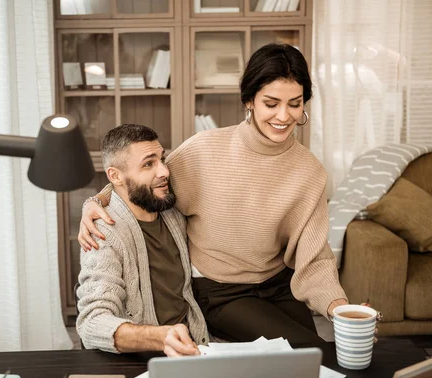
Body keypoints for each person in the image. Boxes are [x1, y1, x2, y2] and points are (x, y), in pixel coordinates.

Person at [78, 43, 360, 347]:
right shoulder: (203, 150)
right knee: (311, 354)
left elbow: (314, 257)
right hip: (219, 292)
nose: (284, 115)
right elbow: (146, 181)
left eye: (295, 103)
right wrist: (95, 201)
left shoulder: (309, 171)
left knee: (320, 355)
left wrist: (338, 306)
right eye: (271, 103)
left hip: (279, 285)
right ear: (249, 101)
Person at [76, 123, 209, 357]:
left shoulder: (170, 209)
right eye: (148, 164)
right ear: (115, 176)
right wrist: (160, 337)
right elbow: (91, 323)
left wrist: (95, 199)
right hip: (143, 357)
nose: (164, 171)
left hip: (195, 343)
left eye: (162, 159)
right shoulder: (103, 233)